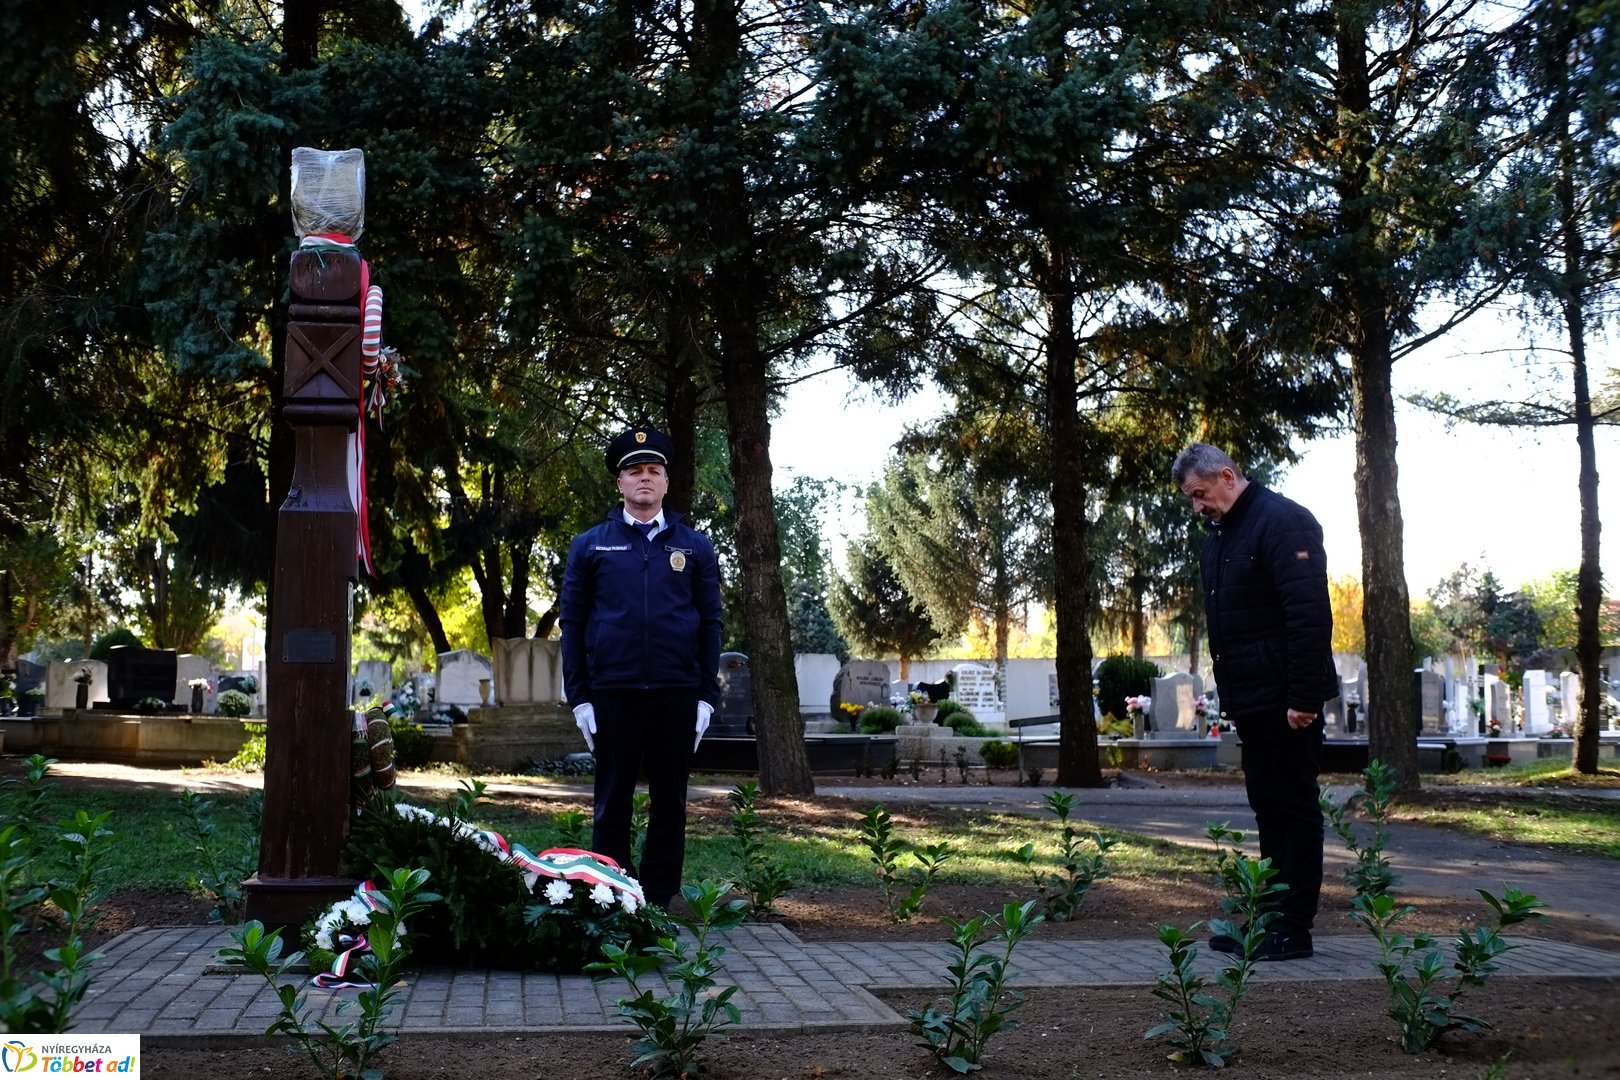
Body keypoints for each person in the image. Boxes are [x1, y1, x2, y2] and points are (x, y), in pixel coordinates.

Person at [1171, 442, 1338, 961]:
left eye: (1200, 495)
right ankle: (1268, 917)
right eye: (1191, 500)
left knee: (1293, 806)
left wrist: (1305, 695)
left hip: (1287, 701)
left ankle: (1294, 927)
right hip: (1253, 700)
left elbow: (1308, 614)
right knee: (1267, 806)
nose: (1197, 507)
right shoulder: (1222, 536)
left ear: (1226, 476)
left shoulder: (1282, 522)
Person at [560, 425, 723, 909]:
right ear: (621, 484)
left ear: (667, 483)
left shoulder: (695, 547)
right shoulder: (590, 546)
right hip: (613, 693)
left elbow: (711, 623)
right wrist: (580, 697)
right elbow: (573, 623)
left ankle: (658, 900)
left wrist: (706, 699)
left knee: (670, 802)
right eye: (635, 471)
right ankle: (611, 898)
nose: (645, 479)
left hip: (677, 692)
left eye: (654, 470)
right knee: (612, 801)